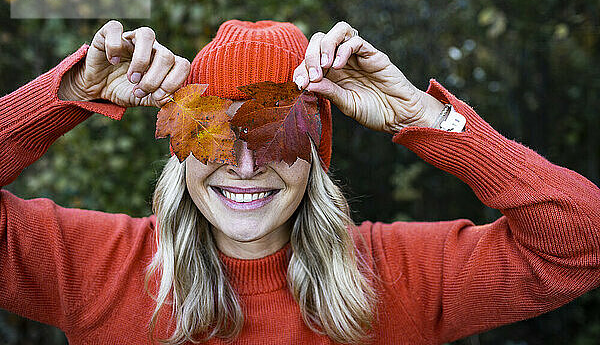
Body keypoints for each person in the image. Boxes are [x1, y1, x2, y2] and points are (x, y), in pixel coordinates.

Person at [1, 19, 599, 345]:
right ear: (181, 145)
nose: (243, 165)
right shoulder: (93, 267)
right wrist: (68, 97)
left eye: (275, 139)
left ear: (315, 156)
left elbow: (582, 241)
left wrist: (426, 118)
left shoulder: (400, 278)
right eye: (215, 133)